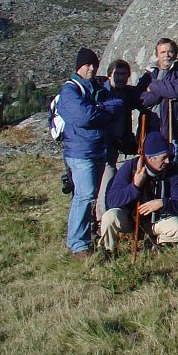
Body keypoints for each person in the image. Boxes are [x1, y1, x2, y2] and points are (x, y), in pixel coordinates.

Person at [59, 47, 124, 258]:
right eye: (88, 65)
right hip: (80, 151)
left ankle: (82, 238)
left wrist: (97, 108)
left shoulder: (95, 87)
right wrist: (101, 110)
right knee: (85, 196)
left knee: (89, 196)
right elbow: (83, 117)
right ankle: (78, 244)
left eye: (94, 65)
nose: (92, 68)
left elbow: (117, 104)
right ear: (79, 66)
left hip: (96, 149)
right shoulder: (70, 90)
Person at [99, 130, 178, 253]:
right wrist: (135, 186)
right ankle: (108, 251)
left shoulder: (172, 170)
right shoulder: (130, 168)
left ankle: (156, 244)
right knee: (109, 217)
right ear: (150, 158)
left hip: (156, 220)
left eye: (168, 156)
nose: (168, 161)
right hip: (130, 219)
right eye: (164, 158)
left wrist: (163, 203)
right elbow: (112, 200)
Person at [138, 38, 178, 212]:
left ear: (176, 54)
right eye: (163, 52)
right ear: (157, 54)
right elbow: (142, 99)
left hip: (176, 130)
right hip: (154, 130)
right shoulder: (149, 75)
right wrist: (161, 90)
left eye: (170, 51)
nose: (167, 55)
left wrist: (154, 86)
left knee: (173, 169)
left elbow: (177, 90)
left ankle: (173, 207)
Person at [95, 59, 140, 225]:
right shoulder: (100, 93)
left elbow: (143, 99)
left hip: (120, 145)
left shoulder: (128, 93)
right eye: (117, 74)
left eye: (124, 74)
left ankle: (113, 218)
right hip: (103, 146)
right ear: (109, 75)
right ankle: (101, 220)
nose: (121, 78)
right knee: (104, 182)